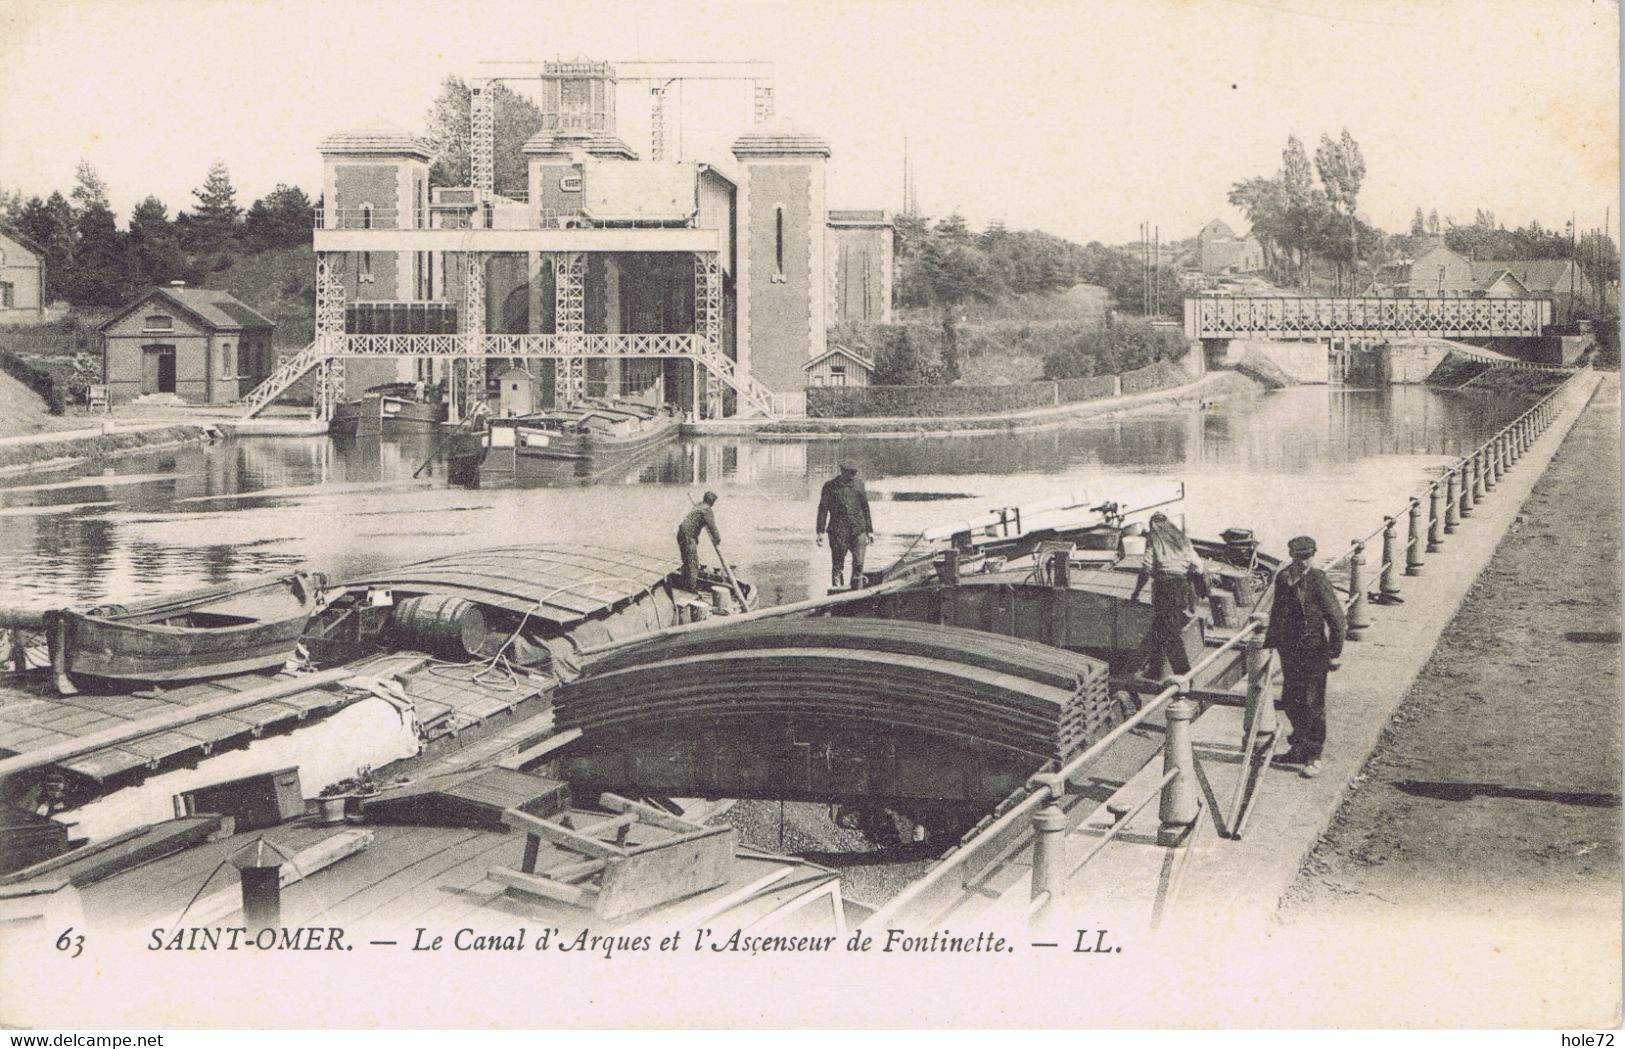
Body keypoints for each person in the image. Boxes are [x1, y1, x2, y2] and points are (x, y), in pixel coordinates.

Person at [1263, 535, 1347, 779]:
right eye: (1299, 558)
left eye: (1307, 557)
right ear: (1291, 556)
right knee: (1290, 699)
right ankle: (1298, 746)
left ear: (1313, 555)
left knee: (1312, 703)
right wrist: (1270, 643)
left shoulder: (1318, 580)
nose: (1303, 562)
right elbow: (1277, 613)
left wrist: (1334, 653)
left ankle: (1314, 755)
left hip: (1314, 652)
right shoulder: (1283, 578)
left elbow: (1337, 620)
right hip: (1290, 651)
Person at [1128, 512, 1205, 679]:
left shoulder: (1154, 539)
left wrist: (1136, 592)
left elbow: (1146, 568)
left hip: (1164, 588)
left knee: (1169, 633)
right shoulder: (1183, 540)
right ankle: (1155, 670)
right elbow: (1198, 567)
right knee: (1159, 629)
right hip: (1180, 587)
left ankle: (1184, 674)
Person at [816, 463, 874, 589]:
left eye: (855, 473)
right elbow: (823, 509)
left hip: (858, 530)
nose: (853, 476)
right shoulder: (830, 487)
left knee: (858, 564)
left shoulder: (859, 485)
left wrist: (870, 531)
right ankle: (838, 594)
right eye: (851, 473)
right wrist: (820, 532)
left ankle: (856, 593)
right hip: (838, 531)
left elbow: (865, 508)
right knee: (838, 566)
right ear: (842, 471)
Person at [677, 492, 721, 592]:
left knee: (686, 561)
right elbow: (712, 527)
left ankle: (684, 584)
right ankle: (691, 589)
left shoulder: (699, 505)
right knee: (693, 563)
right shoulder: (707, 510)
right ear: (712, 502)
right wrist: (717, 539)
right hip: (688, 537)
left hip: (681, 533)